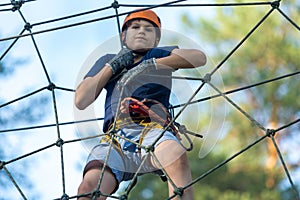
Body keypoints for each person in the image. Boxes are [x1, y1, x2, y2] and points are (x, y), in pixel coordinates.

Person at [75, 9, 206, 200]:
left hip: (152, 130)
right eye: (135, 27)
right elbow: (81, 100)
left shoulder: (159, 53)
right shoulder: (108, 61)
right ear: (124, 36)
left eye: (149, 29)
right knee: (88, 187)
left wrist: (153, 64)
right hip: (116, 138)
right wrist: (113, 66)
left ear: (156, 39)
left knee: (176, 157)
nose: (142, 31)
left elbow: (198, 58)